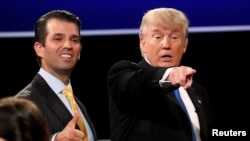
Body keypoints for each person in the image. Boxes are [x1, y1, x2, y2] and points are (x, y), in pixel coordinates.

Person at [107, 7, 214, 141]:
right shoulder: (123, 73)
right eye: (158, 37)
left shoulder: (197, 91)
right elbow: (136, 83)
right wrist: (169, 74)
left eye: (174, 37)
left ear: (185, 45)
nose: (166, 44)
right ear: (143, 43)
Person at [15, 10, 98, 141]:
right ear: (39, 48)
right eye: (58, 39)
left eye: (74, 40)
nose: (68, 45)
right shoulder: (24, 103)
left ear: (80, 51)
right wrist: (55, 139)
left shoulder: (78, 104)